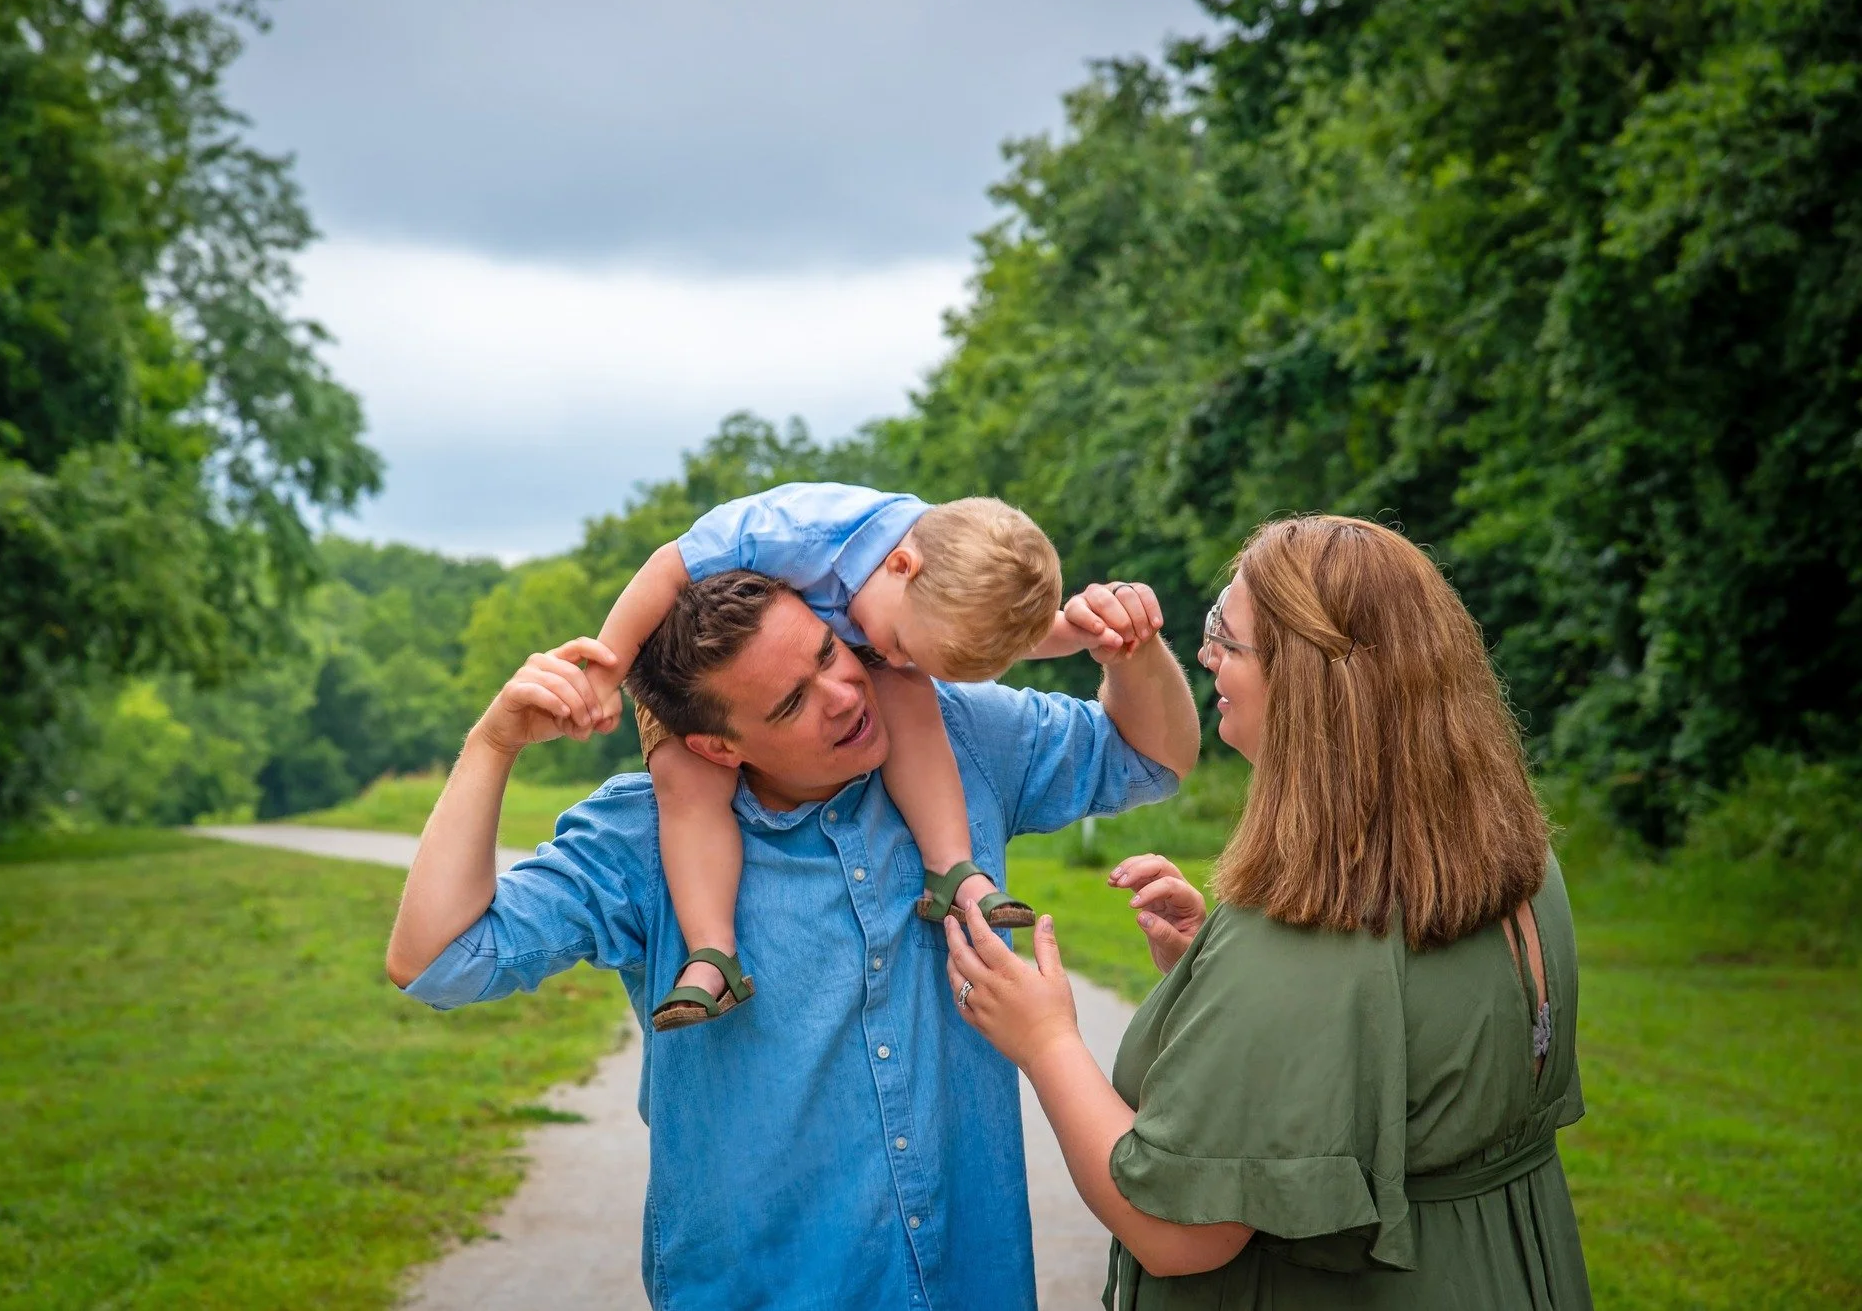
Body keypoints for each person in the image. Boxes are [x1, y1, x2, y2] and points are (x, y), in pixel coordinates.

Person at [385, 569, 1201, 1310]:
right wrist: (493, 743)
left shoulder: (958, 739)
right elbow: (438, 960)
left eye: (829, 652)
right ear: (716, 745)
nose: (844, 694)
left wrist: (1128, 651)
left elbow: (1152, 757)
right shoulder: (642, 840)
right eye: (790, 703)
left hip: (972, 1283)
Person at [943, 514, 1592, 1310]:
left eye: (1229, 637)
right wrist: (1216, 975)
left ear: (1313, 681)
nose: (1206, 655)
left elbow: (1178, 1231)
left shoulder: (1313, 926)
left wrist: (1044, 1039)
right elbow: (1398, 1038)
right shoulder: (1514, 860)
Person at [577, 482, 1099, 1031]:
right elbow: (666, 567)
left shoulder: (946, 575)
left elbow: (986, 628)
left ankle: (951, 868)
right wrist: (603, 675)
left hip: (810, 658)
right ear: (900, 565)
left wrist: (1078, 631)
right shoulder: (800, 531)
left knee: (910, 695)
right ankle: (711, 952)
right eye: (901, 642)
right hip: (693, 670)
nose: (893, 657)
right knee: (688, 787)